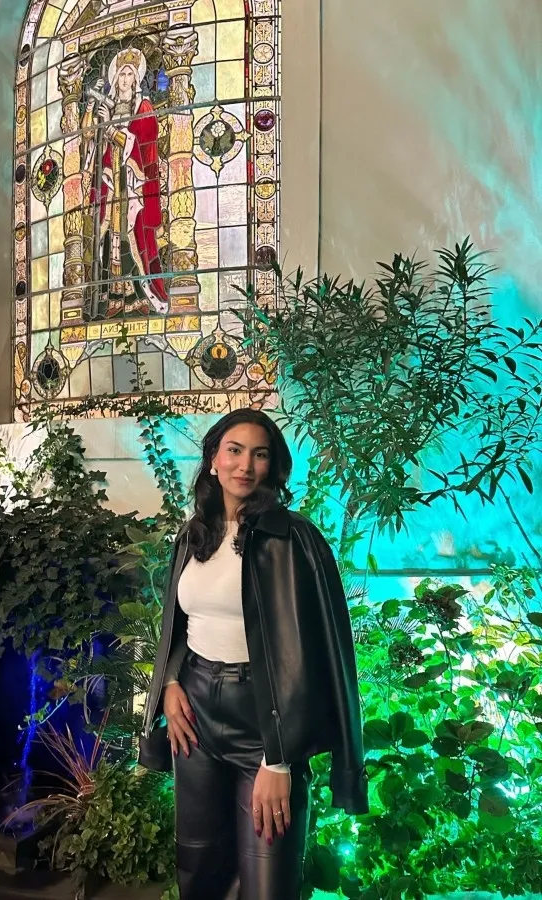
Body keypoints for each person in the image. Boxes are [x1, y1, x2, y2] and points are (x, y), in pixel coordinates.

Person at [140, 409, 368, 900]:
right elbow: (180, 624)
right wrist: (172, 682)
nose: (245, 465)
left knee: (269, 885)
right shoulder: (195, 534)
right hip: (196, 720)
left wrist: (280, 760)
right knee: (200, 873)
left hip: (265, 725)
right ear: (213, 460)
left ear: (273, 467)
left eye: (259, 454)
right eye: (234, 451)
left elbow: (311, 654)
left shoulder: (293, 539)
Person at [81, 47, 169, 319]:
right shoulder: (107, 106)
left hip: (133, 184)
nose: (125, 79)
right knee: (110, 237)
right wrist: (93, 111)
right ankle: (113, 297)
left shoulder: (142, 107)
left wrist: (112, 130)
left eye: (130, 74)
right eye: (121, 74)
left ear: (136, 78)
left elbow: (146, 137)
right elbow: (90, 139)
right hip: (111, 183)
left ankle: (139, 296)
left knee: (135, 236)